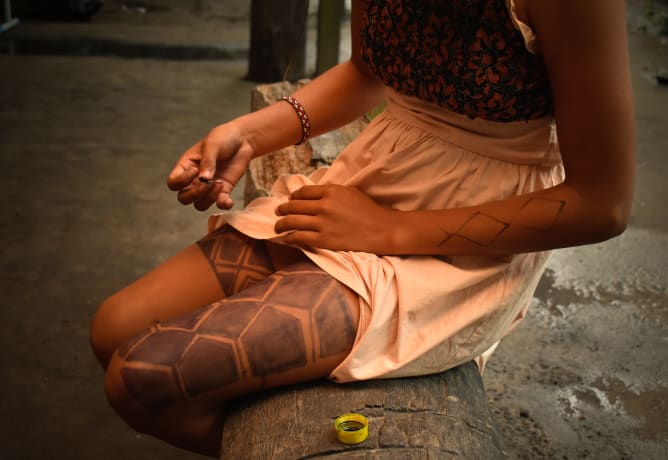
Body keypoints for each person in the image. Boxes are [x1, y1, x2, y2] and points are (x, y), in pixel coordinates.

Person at [89, 0, 635, 456]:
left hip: (476, 231)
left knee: (140, 379)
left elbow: (602, 204)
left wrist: (390, 231)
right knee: (113, 329)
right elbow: (367, 73)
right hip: (377, 172)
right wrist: (251, 134)